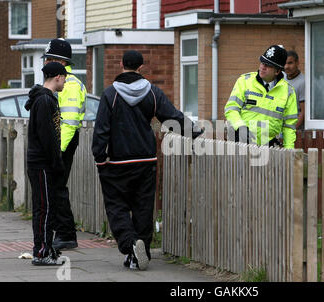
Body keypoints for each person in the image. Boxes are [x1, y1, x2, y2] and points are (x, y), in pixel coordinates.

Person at [92, 50, 203, 270]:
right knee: (143, 207)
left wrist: (99, 157)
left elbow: (102, 129)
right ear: (141, 68)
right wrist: (196, 133)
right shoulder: (152, 93)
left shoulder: (110, 94)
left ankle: (130, 244)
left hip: (117, 162)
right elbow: (173, 117)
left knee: (117, 207)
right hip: (146, 160)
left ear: (122, 65)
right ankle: (138, 254)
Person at [42, 38, 87, 250]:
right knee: (55, 186)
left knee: (57, 186)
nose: (44, 64)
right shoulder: (63, 80)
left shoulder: (68, 84)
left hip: (63, 142)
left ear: (58, 61)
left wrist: (58, 151)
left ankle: (67, 234)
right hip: (59, 141)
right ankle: (63, 232)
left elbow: (68, 122)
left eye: (48, 59)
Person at [25, 62, 68, 265]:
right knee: (44, 208)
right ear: (57, 77)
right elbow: (47, 135)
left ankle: (46, 249)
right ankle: (41, 252)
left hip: (44, 163)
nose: (66, 81)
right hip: (41, 163)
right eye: (65, 77)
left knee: (47, 207)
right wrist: (56, 162)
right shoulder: (44, 101)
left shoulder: (46, 98)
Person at [224, 45, 298, 149]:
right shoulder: (244, 81)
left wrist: (289, 151)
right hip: (241, 144)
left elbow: (289, 126)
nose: (263, 67)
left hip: (269, 147)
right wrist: (241, 127)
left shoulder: (289, 92)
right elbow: (231, 109)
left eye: (268, 65)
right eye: (262, 62)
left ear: (277, 71)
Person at [284, 50, 305, 130]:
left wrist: (291, 130)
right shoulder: (282, 79)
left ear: (297, 63)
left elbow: (303, 112)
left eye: (290, 63)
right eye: (284, 63)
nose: (286, 66)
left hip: (296, 131)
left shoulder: (303, 82)